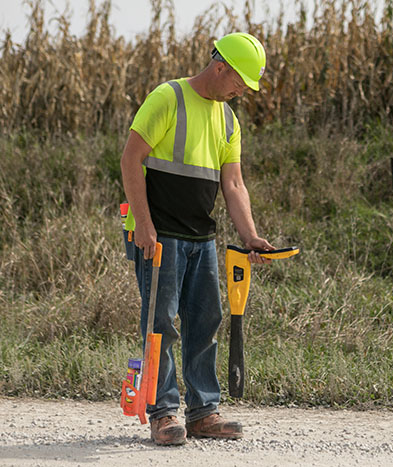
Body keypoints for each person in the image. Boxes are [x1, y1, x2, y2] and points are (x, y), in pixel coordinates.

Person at [120, 32, 273, 446]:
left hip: (201, 237)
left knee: (206, 322)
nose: (242, 91)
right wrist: (144, 224)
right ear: (220, 66)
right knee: (160, 325)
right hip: (159, 235)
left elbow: (234, 183)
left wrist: (251, 236)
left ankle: (204, 410)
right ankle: (163, 412)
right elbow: (131, 158)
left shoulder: (228, 119)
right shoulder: (167, 98)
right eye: (240, 82)